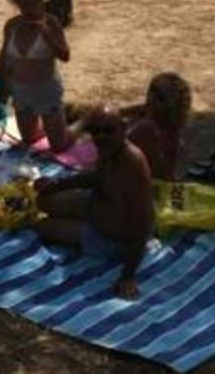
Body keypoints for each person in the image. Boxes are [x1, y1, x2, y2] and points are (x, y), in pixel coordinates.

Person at [33, 107, 154, 300]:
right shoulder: (109, 149)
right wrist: (58, 184)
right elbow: (97, 177)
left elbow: (142, 224)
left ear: (124, 129)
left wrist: (128, 276)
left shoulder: (132, 164)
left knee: (42, 226)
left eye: (108, 130)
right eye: (96, 131)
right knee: (43, 200)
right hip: (97, 203)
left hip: (112, 238)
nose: (101, 136)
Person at [0, 0, 72, 152]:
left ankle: (72, 126)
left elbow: (65, 55)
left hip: (46, 89)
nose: (28, 8)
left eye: (33, 3)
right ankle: (53, 126)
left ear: (41, 2)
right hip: (20, 89)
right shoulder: (12, 25)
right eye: (23, 3)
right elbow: (4, 55)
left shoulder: (51, 23)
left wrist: (46, 34)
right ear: (18, 4)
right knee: (28, 139)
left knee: (59, 146)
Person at [123, 73, 193, 181]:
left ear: (171, 105)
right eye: (152, 89)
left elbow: (112, 148)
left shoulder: (148, 129)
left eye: (160, 97)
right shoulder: (169, 127)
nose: (151, 97)